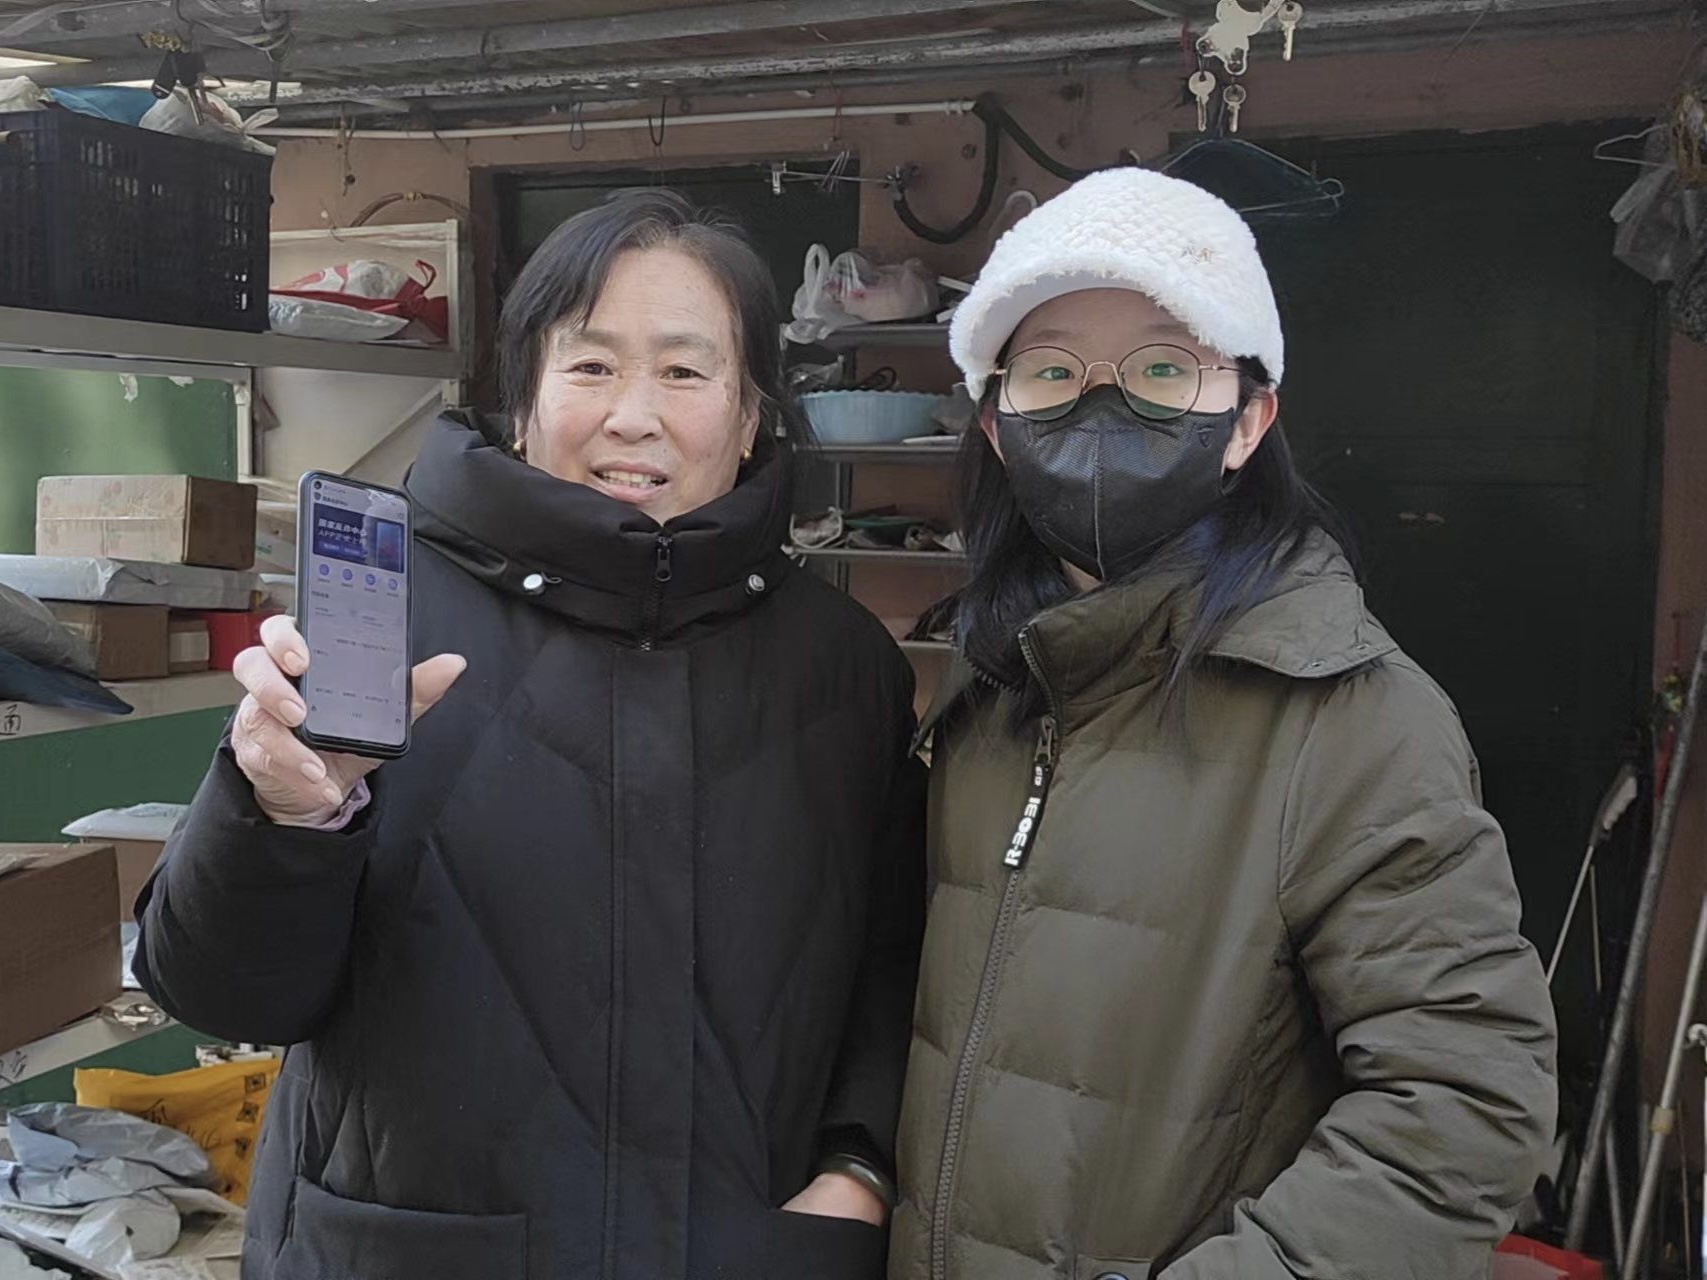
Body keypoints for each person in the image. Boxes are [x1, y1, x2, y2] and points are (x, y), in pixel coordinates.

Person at [135, 189, 925, 1280]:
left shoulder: (842, 668)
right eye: (591, 365)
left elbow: (894, 971)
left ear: (750, 417)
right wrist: (282, 814)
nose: (633, 416)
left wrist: (859, 1168)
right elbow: (222, 993)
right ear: (523, 399)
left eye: (684, 372)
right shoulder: (385, 627)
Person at [888, 168, 1557, 1280]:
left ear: (1249, 419)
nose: (1101, 408)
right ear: (997, 426)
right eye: (1051, 371)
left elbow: (1464, 1106)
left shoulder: (1353, 719)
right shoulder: (991, 687)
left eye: (1162, 368)